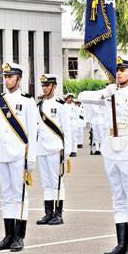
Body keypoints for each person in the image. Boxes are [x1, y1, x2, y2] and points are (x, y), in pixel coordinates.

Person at [79, 56, 128, 254]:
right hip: (111, 150)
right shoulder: (108, 93)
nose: (119, 73)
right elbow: (81, 96)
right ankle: (121, 243)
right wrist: (105, 92)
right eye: (117, 69)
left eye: (123, 69)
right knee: (118, 197)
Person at [0, 62, 38, 252]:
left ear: (19, 78)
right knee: (6, 196)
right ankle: (8, 235)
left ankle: (19, 236)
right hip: (1, 153)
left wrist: (31, 157)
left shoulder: (28, 101)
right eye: (5, 76)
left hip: (19, 154)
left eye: (10, 76)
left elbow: (32, 131)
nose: (7, 80)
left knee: (20, 195)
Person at [35, 74, 72, 226]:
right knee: (46, 182)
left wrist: (67, 151)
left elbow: (67, 130)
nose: (44, 88)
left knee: (57, 181)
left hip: (56, 147)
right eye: (43, 85)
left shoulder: (61, 105)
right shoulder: (39, 106)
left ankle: (58, 214)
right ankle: (48, 213)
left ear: (54, 86)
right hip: (41, 148)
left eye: (47, 85)